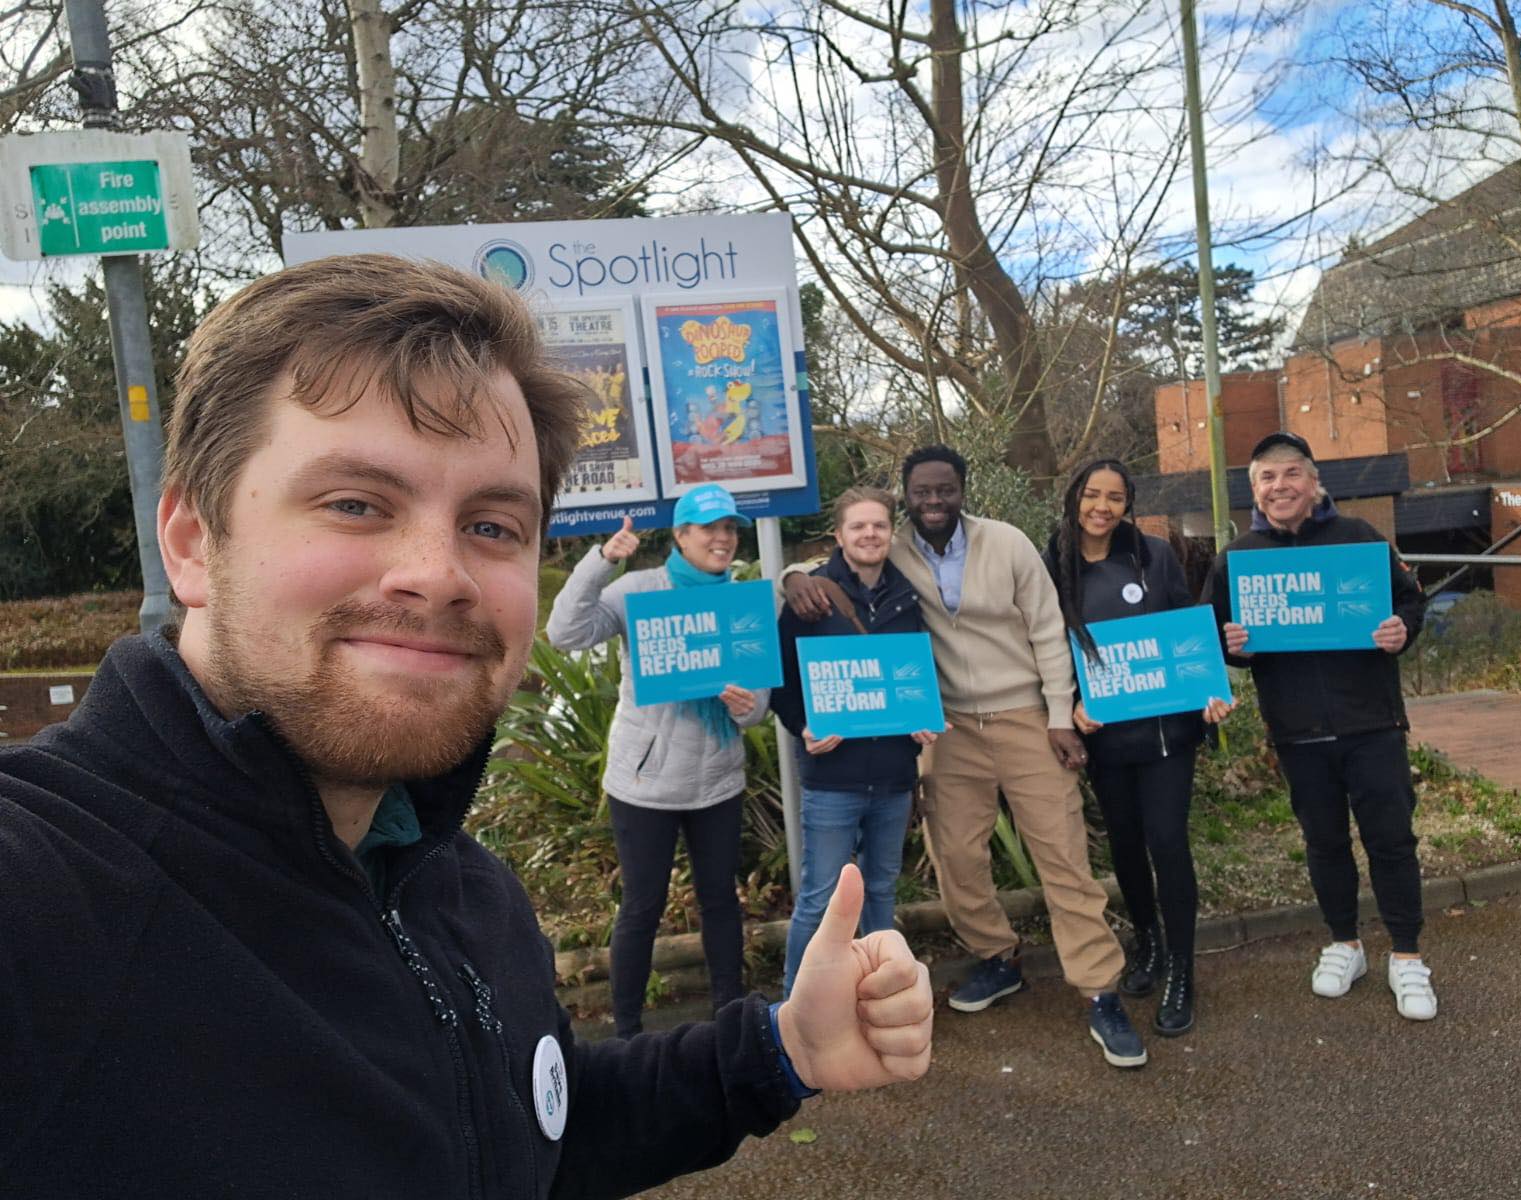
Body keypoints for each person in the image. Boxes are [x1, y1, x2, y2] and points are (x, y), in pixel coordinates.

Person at [0, 255, 933, 1199]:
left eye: (492, 526)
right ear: (193, 542)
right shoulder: (46, 901)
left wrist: (780, 1049)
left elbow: (525, 1130)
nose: (438, 573)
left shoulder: (465, 890)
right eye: (355, 504)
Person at [785, 445, 1148, 1070]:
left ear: (961, 491)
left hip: (1024, 718)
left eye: (945, 490)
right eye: (921, 491)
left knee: (1062, 855)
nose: (934, 501)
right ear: (906, 495)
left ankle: (1099, 990)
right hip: (947, 728)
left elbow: (1047, 627)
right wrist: (793, 578)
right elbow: (832, 559)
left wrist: (1058, 714)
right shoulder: (893, 545)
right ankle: (997, 956)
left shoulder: (1005, 543)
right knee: (956, 856)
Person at [1202, 431, 1436, 1021]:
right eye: (1267, 477)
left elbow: (1412, 602)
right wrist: (1232, 647)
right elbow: (1212, 639)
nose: (1279, 486)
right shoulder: (1236, 560)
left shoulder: (1360, 539)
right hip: (1298, 732)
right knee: (1324, 842)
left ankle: (1407, 955)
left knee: (1391, 839)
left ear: (1313, 482)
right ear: (1255, 490)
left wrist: (1401, 629)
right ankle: (1344, 944)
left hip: (1372, 723)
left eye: (1291, 474)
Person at [546, 483, 765, 1038]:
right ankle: (627, 1032)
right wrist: (602, 561)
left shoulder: (742, 602)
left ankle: (729, 1018)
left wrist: (747, 708)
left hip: (718, 780)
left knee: (720, 900)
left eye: (730, 528)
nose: (722, 538)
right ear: (681, 535)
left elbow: (759, 701)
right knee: (642, 908)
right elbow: (564, 633)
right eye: (709, 528)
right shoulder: (639, 592)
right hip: (645, 783)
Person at [1043, 459, 1232, 1038]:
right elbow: (1045, 648)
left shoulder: (1154, 555)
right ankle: (1147, 940)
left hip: (1168, 734)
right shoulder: (1051, 563)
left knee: (1168, 842)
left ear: (1128, 504)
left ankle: (1182, 970)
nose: (1102, 507)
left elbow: (1186, 632)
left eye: (1115, 497)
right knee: (1125, 845)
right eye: (1092, 494)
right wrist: (1071, 705)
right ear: (1073, 497)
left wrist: (1209, 690)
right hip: (1106, 735)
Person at [770, 485, 938, 997]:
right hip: (832, 778)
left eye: (879, 525)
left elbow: (914, 677)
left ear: (891, 533)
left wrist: (922, 720)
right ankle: (795, 1004)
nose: (870, 534)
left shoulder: (909, 595)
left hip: (893, 775)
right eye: (858, 526)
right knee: (820, 898)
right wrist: (803, 726)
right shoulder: (809, 596)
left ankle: (876, 994)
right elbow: (780, 682)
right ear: (839, 535)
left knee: (881, 891)